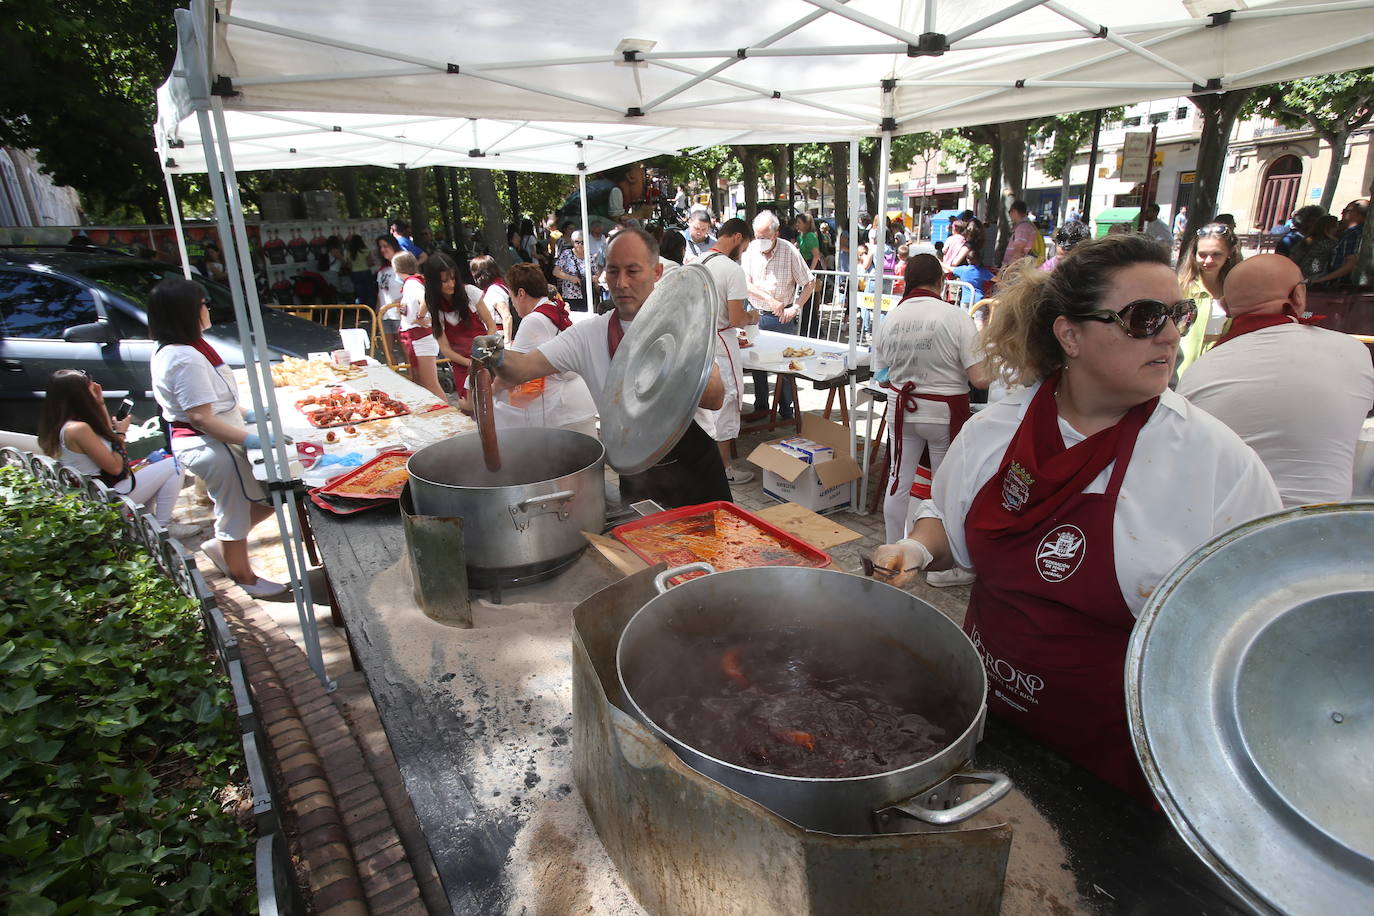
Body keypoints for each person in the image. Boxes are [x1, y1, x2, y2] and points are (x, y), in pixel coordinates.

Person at [870, 234, 1281, 801]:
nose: (1169, 334)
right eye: (1144, 317)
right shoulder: (994, 432)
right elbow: (947, 515)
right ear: (1070, 335)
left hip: (1116, 752)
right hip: (983, 711)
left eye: (1178, 314)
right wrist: (915, 548)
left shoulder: (1214, 462)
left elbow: (1253, 627)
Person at [473, 229, 730, 509]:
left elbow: (715, 397)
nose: (621, 283)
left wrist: (666, 367)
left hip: (695, 470)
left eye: (633, 271)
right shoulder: (589, 335)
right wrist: (494, 354)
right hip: (636, 472)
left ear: (656, 272)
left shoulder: (683, 321)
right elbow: (521, 368)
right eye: (613, 271)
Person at [1178, 255, 1374, 508]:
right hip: (1325, 522)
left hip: (1230, 525)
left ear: (1225, 306)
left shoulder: (1198, 371)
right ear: (1298, 295)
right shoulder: (1353, 352)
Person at [148, 278, 289, 598]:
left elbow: (210, 399)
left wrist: (247, 413)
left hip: (219, 436)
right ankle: (243, 575)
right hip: (210, 445)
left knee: (267, 497)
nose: (207, 309)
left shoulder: (185, 348)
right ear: (187, 311)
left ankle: (222, 546)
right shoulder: (183, 357)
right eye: (203, 305)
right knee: (235, 509)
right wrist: (252, 439)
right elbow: (200, 417)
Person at [873, 255, 989, 547]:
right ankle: (939, 550)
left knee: (898, 480)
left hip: (902, 410)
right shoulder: (956, 316)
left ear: (907, 281)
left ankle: (893, 547)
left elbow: (882, 378)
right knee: (944, 485)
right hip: (943, 411)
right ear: (941, 281)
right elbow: (980, 379)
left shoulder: (890, 319)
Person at [38, 369, 184, 524]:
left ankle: (146, 525)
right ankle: (163, 525)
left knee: (158, 462)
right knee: (175, 465)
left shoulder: (57, 425)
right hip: (105, 499)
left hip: (95, 492)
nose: (94, 389)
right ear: (80, 396)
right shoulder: (78, 429)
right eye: (89, 388)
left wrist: (100, 402)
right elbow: (115, 467)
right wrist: (121, 433)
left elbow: (107, 437)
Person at [692, 218, 760, 486]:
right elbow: (736, 318)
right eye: (744, 247)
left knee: (701, 404)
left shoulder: (696, 263)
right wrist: (752, 317)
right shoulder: (732, 270)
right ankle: (724, 469)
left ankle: (704, 463)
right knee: (727, 400)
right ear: (737, 237)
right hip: (720, 342)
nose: (742, 252)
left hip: (698, 340)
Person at [492, 263, 597, 436]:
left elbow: (512, 373)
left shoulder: (534, 320)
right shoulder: (554, 308)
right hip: (577, 401)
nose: (513, 305)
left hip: (563, 410)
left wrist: (490, 391)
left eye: (511, 297)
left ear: (521, 293)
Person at [743, 210, 815, 421]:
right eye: (757, 236)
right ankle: (761, 406)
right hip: (756, 314)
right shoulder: (750, 250)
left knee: (784, 365)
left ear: (776, 234)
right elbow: (745, 284)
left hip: (782, 318)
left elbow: (809, 282)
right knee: (756, 364)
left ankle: (786, 409)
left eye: (764, 237)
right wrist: (769, 299)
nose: (760, 241)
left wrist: (796, 307)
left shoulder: (789, 250)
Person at [1176, 223, 1244, 376]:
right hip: (1183, 364)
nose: (1208, 261)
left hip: (1220, 362)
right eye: (1202, 254)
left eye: (1216, 254)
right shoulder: (1181, 286)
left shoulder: (1235, 289)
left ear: (1229, 253)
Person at [429, 252, 496, 398]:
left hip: (485, 358)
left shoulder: (470, 292)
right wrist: (470, 363)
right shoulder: (435, 307)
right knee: (468, 403)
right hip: (461, 366)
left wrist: (484, 353)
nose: (451, 284)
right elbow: (445, 349)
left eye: (453, 278)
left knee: (492, 400)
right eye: (444, 281)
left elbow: (491, 326)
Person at [385, 251, 447, 402]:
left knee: (430, 384)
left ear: (396, 269)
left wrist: (420, 317)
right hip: (418, 338)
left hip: (421, 338)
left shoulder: (412, 284)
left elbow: (426, 299)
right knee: (423, 383)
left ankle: (447, 411)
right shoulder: (412, 283)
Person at [1309, 199, 1367, 287]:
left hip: (1339, 285)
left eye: (1346, 210)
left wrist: (1321, 279)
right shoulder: (1352, 233)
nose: (1342, 213)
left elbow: (1351, 263)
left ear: (1357, 214)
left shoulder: (1354, 234)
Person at [374, 235, 405, 366]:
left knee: (405, 350)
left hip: (400, 315)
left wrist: (395, 304)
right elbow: (380, 293)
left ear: (394, 246)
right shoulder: (382, 270)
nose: (382, 249)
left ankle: (413, 376)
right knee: (386, 350)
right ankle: (395, 374)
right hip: (384, 316)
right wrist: (377, 314)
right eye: (380, 247)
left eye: (385, 246)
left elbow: (409, 290)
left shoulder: (402, 267)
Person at [469, 254, 512, 335]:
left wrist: (507, 340)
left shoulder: (494, 290)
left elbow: (507, 316)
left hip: (499, 336)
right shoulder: (500, 286)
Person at [1292, 214, 1342, 283]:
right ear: (1330, 228)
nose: (1337, 229)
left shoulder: (1309, 239)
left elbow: (1296, 254)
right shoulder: (1332, 243)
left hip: (1299, 271)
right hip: (1316, 274)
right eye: (1336, 227)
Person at [553, 231, 591, 312]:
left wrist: (593, 277)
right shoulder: (566, 254)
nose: (580, 245)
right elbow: (555, 272)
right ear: (572, 242)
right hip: (570, 294)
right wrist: (570, 278)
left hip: (586, 294)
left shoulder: (589, 255)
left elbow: (596, 272)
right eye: (577, 242)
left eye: (582, 242)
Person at [1000, 200, 1038, 268]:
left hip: (1016, 267)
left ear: (1014, 211)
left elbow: (1019, 252)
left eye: (1009, 211)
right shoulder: (1026, 225)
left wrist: (1008, 268)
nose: (1009, 214)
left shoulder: (1022, 228)